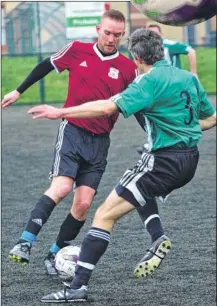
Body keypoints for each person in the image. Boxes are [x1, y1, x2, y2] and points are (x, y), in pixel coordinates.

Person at [27, 28, 216, 302]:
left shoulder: (146, 83)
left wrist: (60, 112)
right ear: (160, 51)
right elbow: (211, 119)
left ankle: (77, 287)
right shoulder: (188, 78)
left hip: (162, 162)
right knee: (136, 188)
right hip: (190, 160)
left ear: (137, 57)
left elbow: (106, 108)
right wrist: (183, 127)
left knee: (104, 215)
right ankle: (157, 237)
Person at [1, 9, 138, 276]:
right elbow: (45, 65)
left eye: (118, 35)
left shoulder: (127, 68)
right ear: (98, 29)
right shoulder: (76, 50)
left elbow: (139, 104)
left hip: (100, 143)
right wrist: (18, 90)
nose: (111, 39)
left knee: (84, 203)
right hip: (73, 132)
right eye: (107, 32)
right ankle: (25, 242)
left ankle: (55, 253)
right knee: (62, 186)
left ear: (123, 36)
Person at [136, 23, 198, 155]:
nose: (153, 37)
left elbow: (191, 51)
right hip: (156, 88)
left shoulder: (169, 45)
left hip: (173, 88)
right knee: (153, 114)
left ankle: (177, 142)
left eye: (155, 34)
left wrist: (194, 73)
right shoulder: (144, 50)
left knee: (169, 114)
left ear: (161, 35)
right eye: (150, 34)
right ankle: (155, 142)